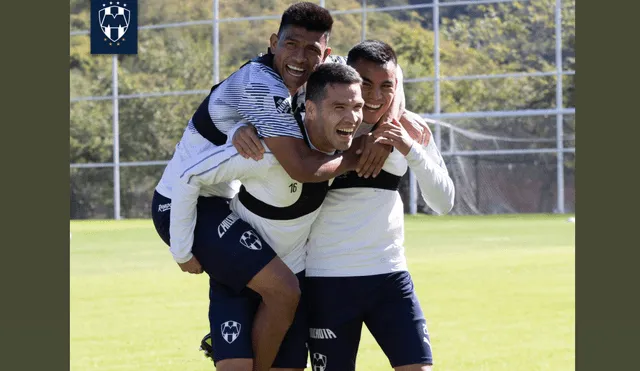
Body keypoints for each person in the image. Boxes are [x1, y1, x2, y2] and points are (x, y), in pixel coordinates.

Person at [227, 40, 455, 370]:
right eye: (365, 84)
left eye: (386, 86)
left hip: (389, 277)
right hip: (326, 281)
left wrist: (408, 148)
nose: (376, 96)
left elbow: (444, 202)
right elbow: (253, 114)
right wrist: (240, 128)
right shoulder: (311, 122)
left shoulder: (407, 126)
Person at [153, 63, 365, 371]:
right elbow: (188, 176)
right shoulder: (265, 149)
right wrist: (182, 250)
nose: (351, 117)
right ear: (311, 109)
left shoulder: (351, 139)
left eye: (357, 107)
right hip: (239, 275)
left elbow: (388, 90)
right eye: (339, 107)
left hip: (292, 269)